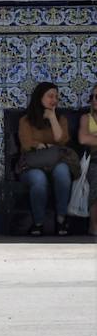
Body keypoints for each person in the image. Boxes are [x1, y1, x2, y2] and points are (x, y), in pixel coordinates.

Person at [16, 81, 72, 236]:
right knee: (39, 180)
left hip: (55, 162)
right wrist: (45, 145)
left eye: (56, 97)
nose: (54, 100)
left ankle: (61, 219)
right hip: (32, 164)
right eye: (50, 96)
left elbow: (62, 141)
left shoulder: (61, 119)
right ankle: (38, 222)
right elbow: (27, 144)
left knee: (63, 173)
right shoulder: (26, 120)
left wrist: (53, 118)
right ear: (39, 97)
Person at [79, 83, 97, 236]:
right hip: (94, 161)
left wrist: (94, 137)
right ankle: (94, 225)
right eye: (93, 97)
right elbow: (83, 138)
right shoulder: (86, 118)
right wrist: (90, 138)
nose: (95, 100)